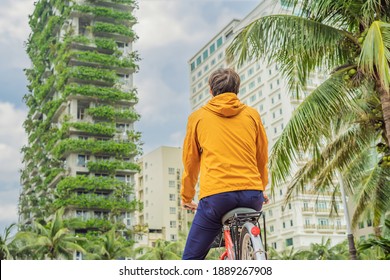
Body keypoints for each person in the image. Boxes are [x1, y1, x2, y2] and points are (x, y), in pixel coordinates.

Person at [180, 68, 269, 260]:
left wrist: (186, 197)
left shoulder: (197, 118)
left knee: (190, 260)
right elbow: (261, 156)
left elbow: (191, 162)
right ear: (237, 89)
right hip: (252, 196)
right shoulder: (252, 115)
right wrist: (261, 188)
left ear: (211, 91)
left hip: (217, 198)